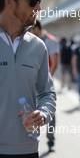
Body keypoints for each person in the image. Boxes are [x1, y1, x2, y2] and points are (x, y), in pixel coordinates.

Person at [0, 0, 56, 157]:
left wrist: (43, 113)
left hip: (28, 149)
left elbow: (47, 93)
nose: (39, 7)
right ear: (10, 1)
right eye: (33, 1)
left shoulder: (38, 46)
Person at [31, 20, 59, 152]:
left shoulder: (50, 41)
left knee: (50, 113)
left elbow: (54, 61)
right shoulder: (28, 41)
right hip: (30, 83)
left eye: (32, 29)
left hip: (45, 83)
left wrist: (47, 81)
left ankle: (51, 139)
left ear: (37, 28)